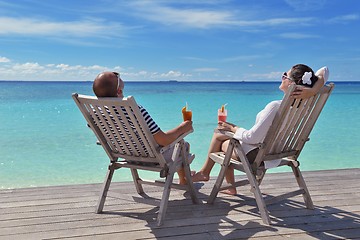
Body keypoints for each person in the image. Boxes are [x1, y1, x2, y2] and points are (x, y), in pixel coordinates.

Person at [192, 64, 329, 195]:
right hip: (278, 152)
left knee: (220, 136)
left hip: (258, 155)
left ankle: (206, 174)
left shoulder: (275, 106)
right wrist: (312, 90)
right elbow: (325, 71)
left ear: (293, 84)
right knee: (223, 135)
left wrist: (233, 128)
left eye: (285, 76)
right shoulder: (305, 108)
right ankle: (221, 182)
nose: (282, 77)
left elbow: (253, 138)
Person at [93, 71, 193, 185]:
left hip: (127, 157)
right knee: (183, 145)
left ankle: (184, 179)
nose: (118, 75)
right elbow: (163, 140)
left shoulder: (97, 114)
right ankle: (184, 180)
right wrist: (183, 127)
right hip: (153, 158)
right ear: (119, 91)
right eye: (117, 76)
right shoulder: (134, 110)